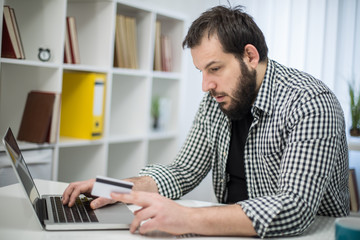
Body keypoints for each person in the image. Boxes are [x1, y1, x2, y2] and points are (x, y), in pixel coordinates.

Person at [62, 5, 349, 238]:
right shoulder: (218, 99)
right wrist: (113, 188)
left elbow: (293, 207)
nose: (205, 85)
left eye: (214, 68)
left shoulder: (310, 101)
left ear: (250, 56)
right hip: (230, 231)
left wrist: (186, 218)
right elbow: (183, 170)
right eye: (201, 71)